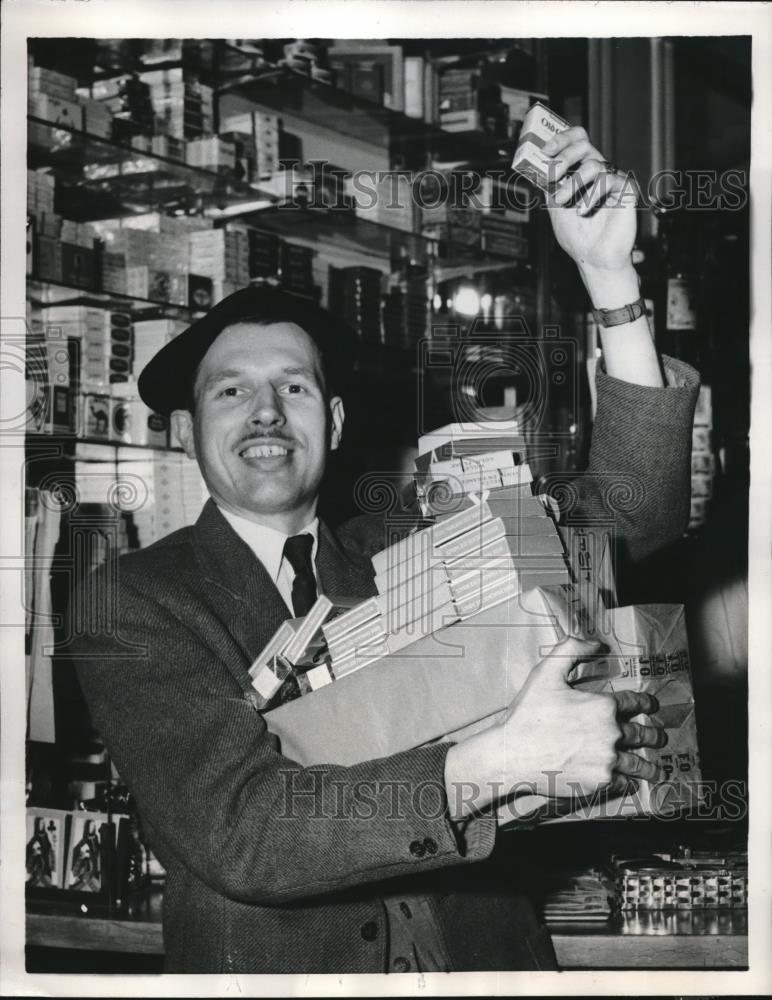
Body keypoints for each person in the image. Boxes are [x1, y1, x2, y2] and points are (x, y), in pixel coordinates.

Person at [72, 125, 699, 973]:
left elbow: (630, 523)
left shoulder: (413, 536)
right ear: (187, 433)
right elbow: (243, 830)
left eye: (293, 387)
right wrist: (500, 761)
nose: (265, 412)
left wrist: (610, 280)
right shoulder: (136, 601)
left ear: (330, 426)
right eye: (232, 391)